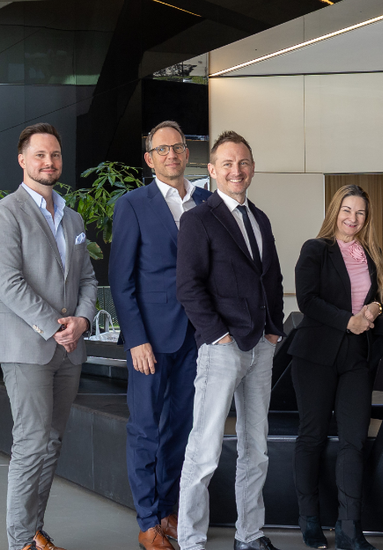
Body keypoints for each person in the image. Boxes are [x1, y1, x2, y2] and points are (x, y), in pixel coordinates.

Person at [0, 123, 97, 550]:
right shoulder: (3, 214)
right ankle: (18, 542)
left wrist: (81, 322)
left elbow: (86, 276)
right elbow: (6, 283)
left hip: (69, 348)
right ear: (22, 160)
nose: (49, 163)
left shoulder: (73, 217)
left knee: (51, 444)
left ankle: (33, 531)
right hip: (29, 348)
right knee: (31, 443)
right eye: (40, 155)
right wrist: (54, 326)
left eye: (56, 155)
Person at [175, 130, 286, 550]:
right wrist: (217, 334)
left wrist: (273, 328)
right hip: (221, 348)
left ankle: (250, 535)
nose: (236, 170)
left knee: (256, 450)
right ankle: (191, 541)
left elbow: (271, 279)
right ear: (212, 170)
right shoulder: (198, 219)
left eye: (243, 163)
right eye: (227, 163)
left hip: (260, 346)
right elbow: (188, 286)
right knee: (204, 452)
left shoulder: (260, 218)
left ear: (252, 168)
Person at [109, 120, 213, 550]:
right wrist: (136, 338)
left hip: (199, 337)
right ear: (149, 159)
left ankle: (169, 510)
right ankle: (148, 521)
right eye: (162, 149)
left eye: (179, 147)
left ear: (188, 154)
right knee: (147, 429)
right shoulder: (133, 204)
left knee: (182, 429)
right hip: (150, 339)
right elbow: (121, 279)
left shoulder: (208, 202)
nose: (172, 154)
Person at [288, 185, 383, 550]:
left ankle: (349, 527)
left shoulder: (370, 253)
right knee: (311, 437)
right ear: (335, 211)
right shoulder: (316, 249)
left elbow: (376, 297)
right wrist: (349, 321)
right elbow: (307, 300)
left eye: (360, 213)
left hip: (355, 357)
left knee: (353, 442)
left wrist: (373, 310)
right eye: (347, 210)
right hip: (315, 354)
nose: (353, 219)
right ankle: (309, 518)